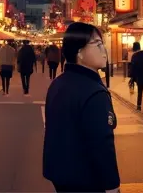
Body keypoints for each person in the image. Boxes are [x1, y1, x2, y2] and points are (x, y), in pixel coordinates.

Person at [43, 22, 120, 193]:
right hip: (87, 179)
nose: (104, 50)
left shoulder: (58, 84)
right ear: (80, 53)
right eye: (97, 44)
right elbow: (102, 145)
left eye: (103, 44)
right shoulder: (94, 92)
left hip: (59, 174)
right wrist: (112, 186)